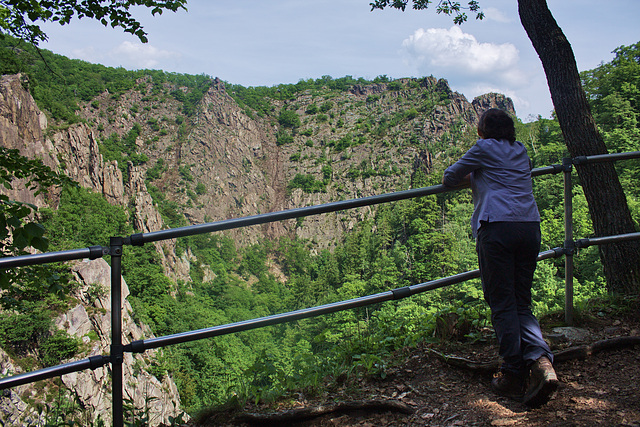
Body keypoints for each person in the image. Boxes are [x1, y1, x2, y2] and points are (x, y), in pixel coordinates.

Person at [441, 108, 558, 407]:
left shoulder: (483, 148)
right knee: (521, 299)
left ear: (482, 131)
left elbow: (449, 177)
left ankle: (512, 373)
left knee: (502, 301)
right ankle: (541, 361)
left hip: (497, 228)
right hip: (529, 226)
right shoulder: (520, 150)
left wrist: (476, 176)